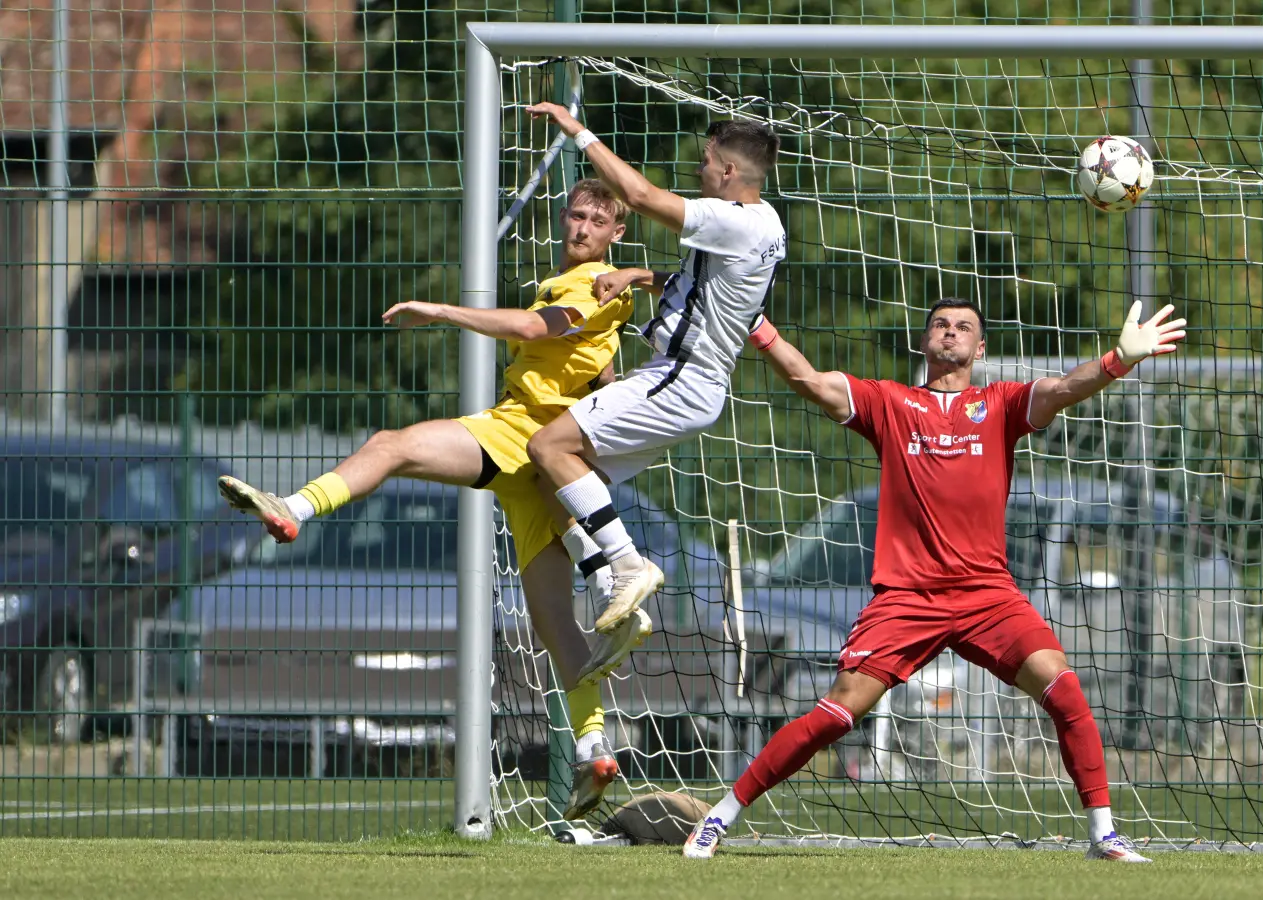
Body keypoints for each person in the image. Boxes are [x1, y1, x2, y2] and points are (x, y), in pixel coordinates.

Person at [682, 297, 1187, 861]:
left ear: (981, 348)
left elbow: (1061, 389)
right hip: (907, 598)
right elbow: (808, 379)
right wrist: (757, 325)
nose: (951, 333)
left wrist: (1118, 359)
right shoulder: (891, 403)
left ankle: (1104, 835)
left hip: (986, 596)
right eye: (941, 326)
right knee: (838, 712)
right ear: (925, 342)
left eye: (964, 327)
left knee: (1066, 691)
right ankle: (718, 819)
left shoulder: (998, 403)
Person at [215, 179, 646, 820]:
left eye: (596, 220)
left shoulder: (594, 284)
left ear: (616, 234)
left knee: (390, 445)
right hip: (545, 465)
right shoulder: (593, 291)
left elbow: (533, 326)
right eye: (575, 215)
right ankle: (594, 745)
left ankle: (294, 509)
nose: (581, 228)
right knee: (556, 627)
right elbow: (601, 373)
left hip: (522, 433)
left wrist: (442, 312)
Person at [520, 103, 785, 636]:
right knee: (551, 482)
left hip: (678, 379)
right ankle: (611, 601)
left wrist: (578, 132)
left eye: (707, 162)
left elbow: (639, 197)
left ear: (729, 171)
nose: (699, 171)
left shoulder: (730, 219)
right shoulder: (767, 222)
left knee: (546, 447)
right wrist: (640, 275)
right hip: (687, 384)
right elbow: (703, 290)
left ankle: (627, 565)